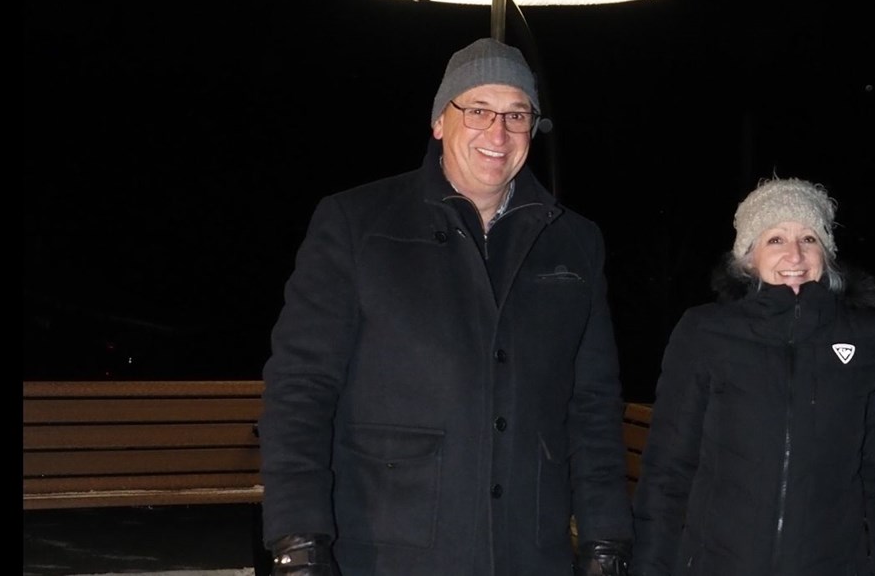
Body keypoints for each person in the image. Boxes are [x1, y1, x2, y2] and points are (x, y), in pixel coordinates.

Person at [258, 37, 633, 576]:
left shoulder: (575, 242)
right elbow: (301, 389)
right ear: (439, 121)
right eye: (477, 109)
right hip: (385, 546)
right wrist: (298, 540)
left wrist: (606, 541)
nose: (497, 133)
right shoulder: (356, 224)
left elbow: (593, 405)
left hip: (528, 549)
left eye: (516, 114)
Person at [631, 177, 875, 576]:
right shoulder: (705, 332)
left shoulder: (871, 337)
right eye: (775, 240)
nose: (795, 255)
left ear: (827, 253)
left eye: (809, 238)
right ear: (748, 256)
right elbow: (667, 469)